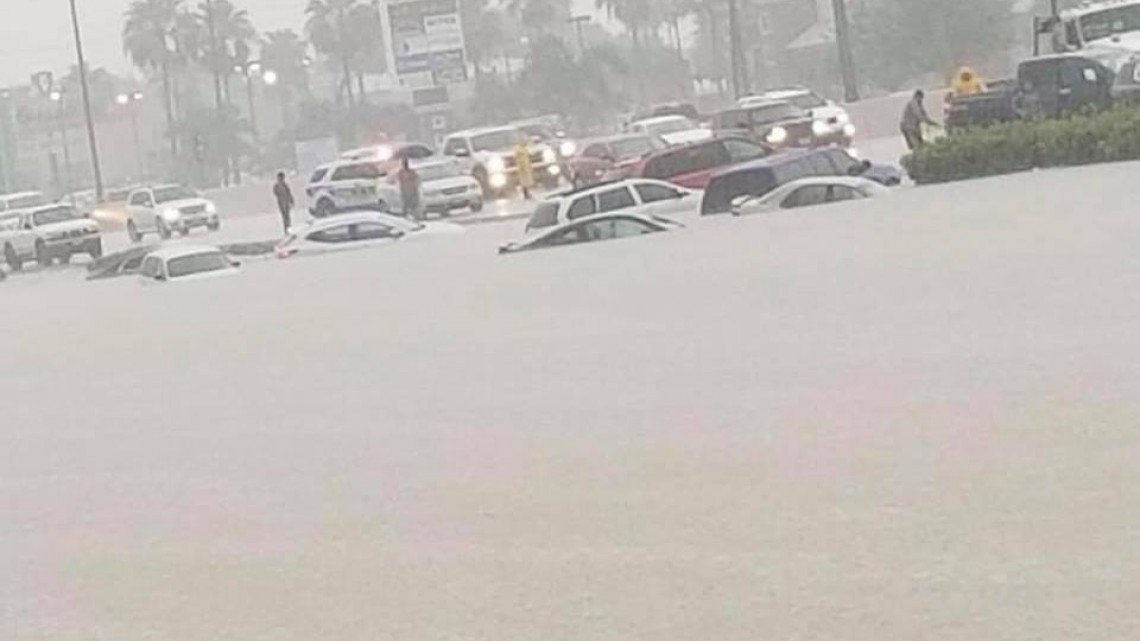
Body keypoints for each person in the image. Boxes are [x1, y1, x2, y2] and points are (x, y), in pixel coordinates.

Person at [396, 157, 423, 221]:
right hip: (405, 192)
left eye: (406, 163)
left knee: (415, 206)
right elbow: (400, 182)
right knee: (406, 206)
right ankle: (406, 219)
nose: (405, 165)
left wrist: (415, 187)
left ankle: (416, 218)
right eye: (404, 163)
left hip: (413, 191)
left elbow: (417, 180)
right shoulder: (401, 173)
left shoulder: (412, 172)